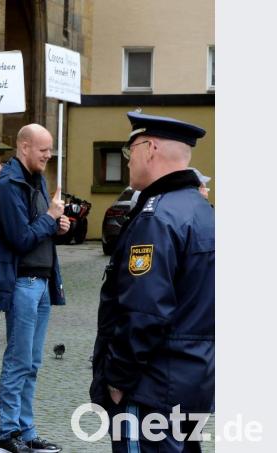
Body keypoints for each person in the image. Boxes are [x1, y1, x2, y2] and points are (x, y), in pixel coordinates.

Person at [90, 112, 214, 453]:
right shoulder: (203, 211)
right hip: (192, 379)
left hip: (151, 388)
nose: (128, 161)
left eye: (130, 151)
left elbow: (144, 312)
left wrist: (117, 379)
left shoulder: (157, 218)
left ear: (150, 148)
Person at [0, 124, 69, 453]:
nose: (49, 155)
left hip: (42, 281)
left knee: (32, 362)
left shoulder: (37, 179)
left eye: (50, 149)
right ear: (24, 147)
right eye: (43, 150)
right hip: (22, 282)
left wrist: (57, 224)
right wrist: (50, 217)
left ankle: (27, 430)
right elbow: (20, 238)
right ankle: (7, 434)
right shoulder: (8, 184)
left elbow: (39, 226)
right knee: (18, 360)